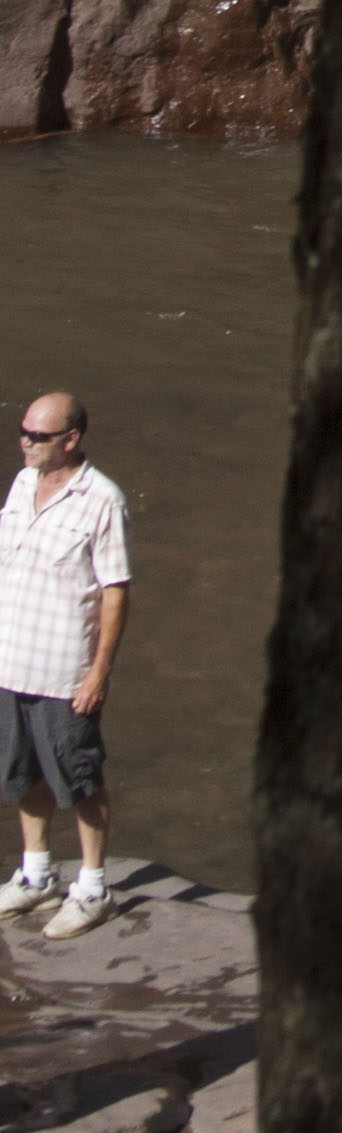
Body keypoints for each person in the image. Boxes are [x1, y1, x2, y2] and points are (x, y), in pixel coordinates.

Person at [0, 392, 129, 936]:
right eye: (23, 431)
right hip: (11, 664)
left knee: (79, 780)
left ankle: (94, 889)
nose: (25, 442)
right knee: (21, 774)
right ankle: (37, 877)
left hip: (63, 675)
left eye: (38, 436)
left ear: (71, 440)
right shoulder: (22, 484)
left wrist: (98, 673)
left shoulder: (102, 501)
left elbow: (115, 592)